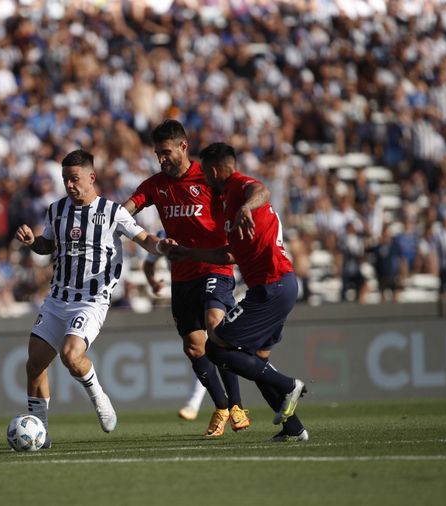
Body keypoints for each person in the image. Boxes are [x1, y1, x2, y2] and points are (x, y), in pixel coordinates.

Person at [14, 149, 167, 448]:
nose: (70, 186)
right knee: (34, 364)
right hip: (57, 299)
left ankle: (99, 397)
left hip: (91, 299)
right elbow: (48, 245)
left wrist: (163, 247)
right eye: (65, 180)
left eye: (75, 179)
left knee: (72, 356)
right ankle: (41, 433)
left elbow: (144, 238)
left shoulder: (113, 212)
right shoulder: (56, 210)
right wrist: (34, 243)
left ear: (91, 177)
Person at [164, 142, 308, 442]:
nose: (203, 178)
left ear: (215, 171)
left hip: (273, 286)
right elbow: (229, 255)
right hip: (273, 287)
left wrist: (246, 206)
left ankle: (287, 385)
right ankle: (293, 428)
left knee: (217, 347)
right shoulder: (226, 202)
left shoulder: (239, 188)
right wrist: (189, 253)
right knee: (255, 360)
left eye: (204, 172)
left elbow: (262, 192)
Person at [122, 120, 249, 437]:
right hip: (182, 274)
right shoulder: (155, 185)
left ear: (183, 146)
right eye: (157, 153)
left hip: (213, 266)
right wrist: (111, 219)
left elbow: (238, 194)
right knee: (194, 348)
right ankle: (220, 407)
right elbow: (127, 209)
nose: (161, 159)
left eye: (166, 152)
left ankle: (237, 405)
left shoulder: (207, 178)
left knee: (215, 327)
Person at [142, 230, 206, 421]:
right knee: (200, 348)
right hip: (185, 290)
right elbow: (148, 263)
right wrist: (153, 283)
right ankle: (215, 404)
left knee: (220, 347)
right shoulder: (164, 233)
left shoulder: (202, 220)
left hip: (213, 284)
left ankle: (198, 403)